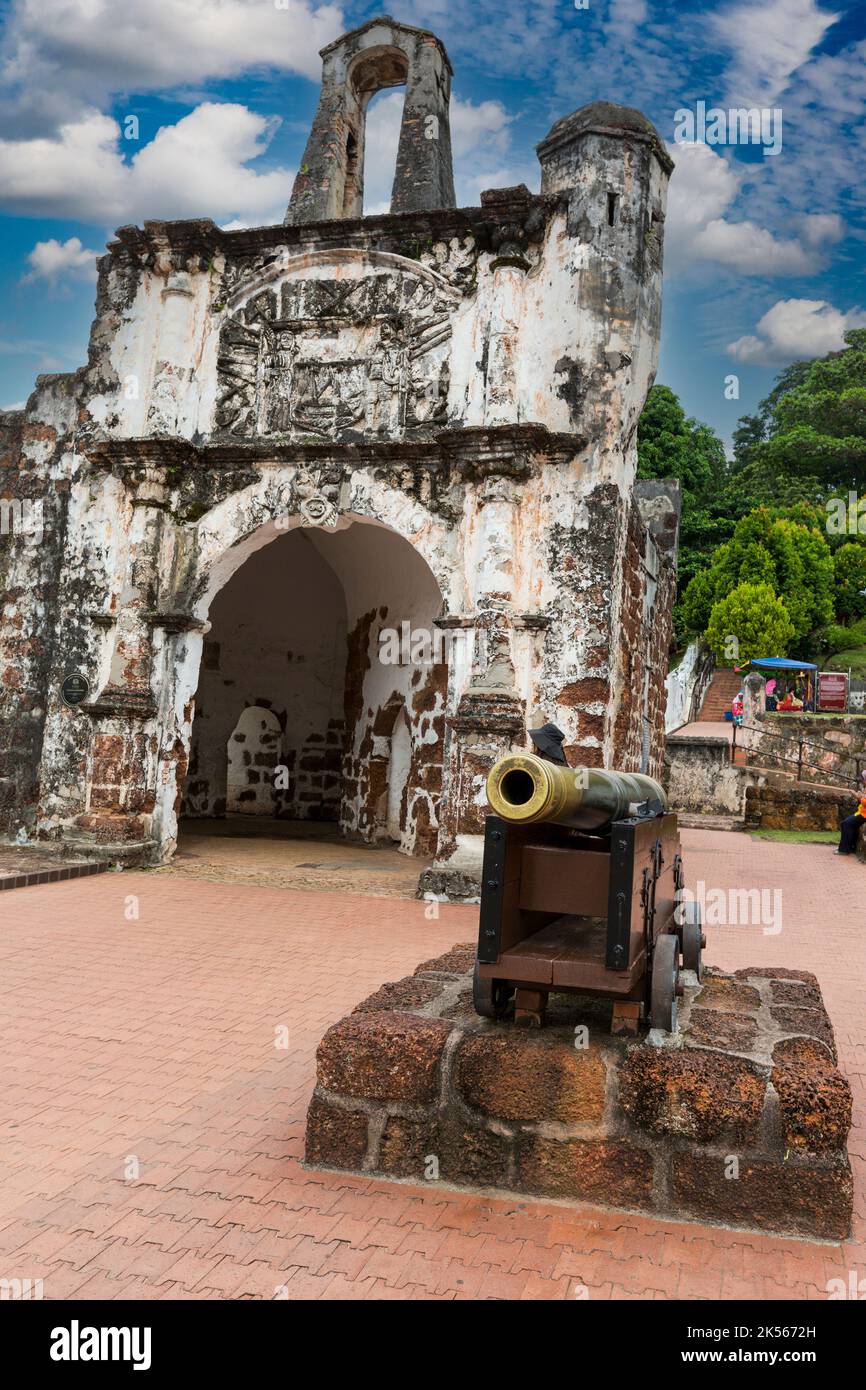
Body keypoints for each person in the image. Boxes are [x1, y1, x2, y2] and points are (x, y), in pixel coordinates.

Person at [836, 770, 866, 855]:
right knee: (846, 823)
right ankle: (851, 847)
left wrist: (859, 797)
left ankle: (844, 850)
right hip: (862, 813)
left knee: (846, 824)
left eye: (863, 779)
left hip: (864, 814)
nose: (862, 781)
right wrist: (859, 796)